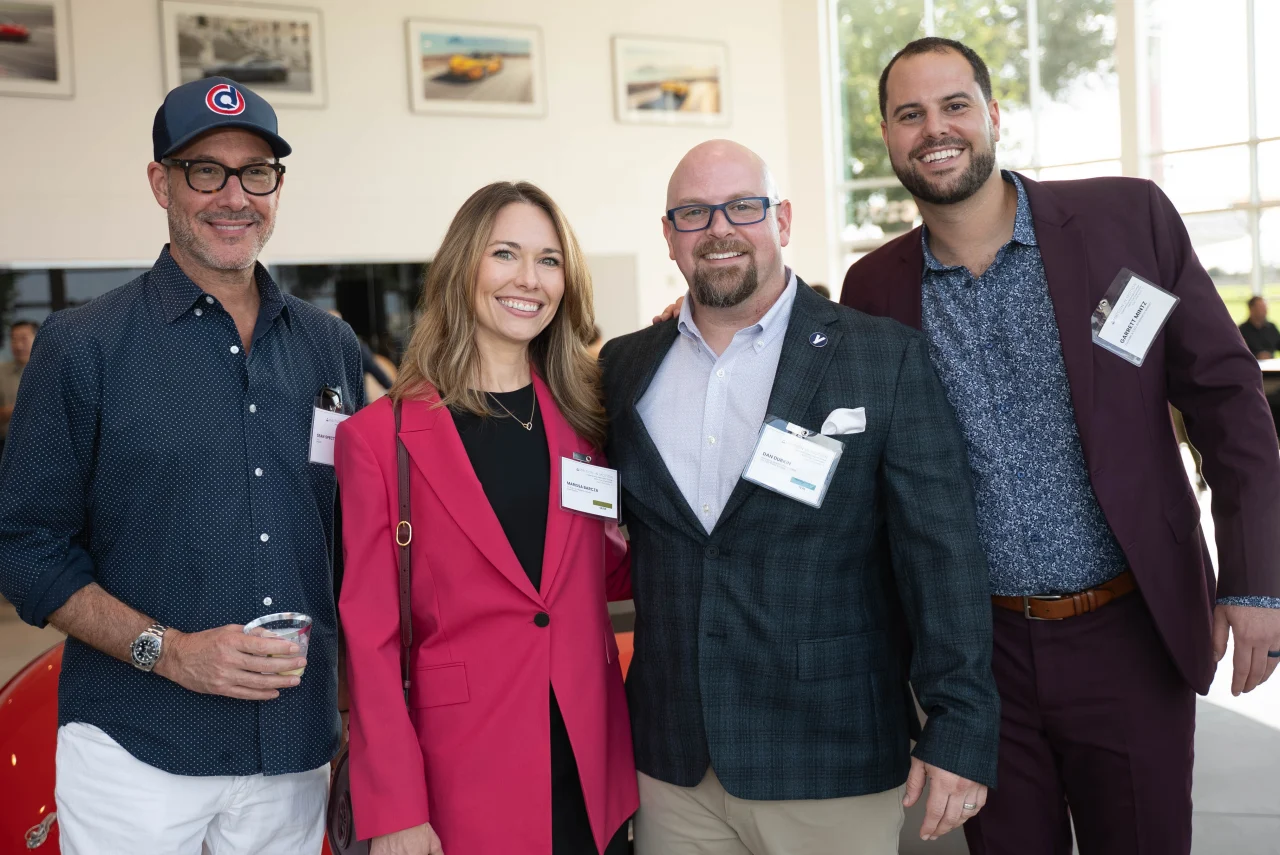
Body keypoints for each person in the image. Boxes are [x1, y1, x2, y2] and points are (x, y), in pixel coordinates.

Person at [840, 37, 1280, 855]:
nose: (935, 129)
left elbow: (1228, 400)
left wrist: (1254, 582)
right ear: (890, 138)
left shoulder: (1125, 222)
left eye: (954, 106)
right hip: (980, 658)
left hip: (1129, 630)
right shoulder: (875, 289)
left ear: (994, 115)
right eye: (910, 115)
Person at [0, 77, 364, 853]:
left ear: (277, 188)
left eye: (255, 173)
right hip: (135, 750)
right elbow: (25, 549)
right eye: (207, 170)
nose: (234, 196)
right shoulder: (82, 347)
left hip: (291, 749)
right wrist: (168, 651)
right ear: (161, 182)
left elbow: (354, 535)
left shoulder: (330, 348)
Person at [603, 140, 999, 854]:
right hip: (673, 766)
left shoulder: (882, 357)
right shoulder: (624, 367)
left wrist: (961, 721)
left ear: (782, 220)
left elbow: (942, 557)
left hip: (831, 757)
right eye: (693, 213)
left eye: (743, 207)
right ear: (668, 236)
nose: (719, 228)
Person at [335, 181, 637, 855]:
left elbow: (602, 574)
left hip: (594, 767)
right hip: (461, 779)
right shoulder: (378, 440)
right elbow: (372, 643)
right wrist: (393, 809)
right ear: (463, 266)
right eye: (505, 253)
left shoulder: (586, 420)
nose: (529, 279)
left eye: (549, 259)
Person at [0, 319, 37, 459]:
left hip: (44, 444)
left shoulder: (50, 371)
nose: (19, 345)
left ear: (37, 338)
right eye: (14, 339)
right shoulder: (1, 372)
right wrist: (14, 410)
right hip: (6, 446)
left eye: (24, 339)